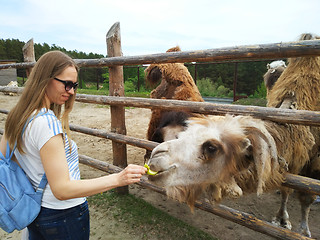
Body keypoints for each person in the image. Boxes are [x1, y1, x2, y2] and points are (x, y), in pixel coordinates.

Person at [0, 50, 147, 240]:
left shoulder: (19, 116)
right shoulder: (47, 123)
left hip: (35, 211)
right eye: (67, 84)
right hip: (63, 214)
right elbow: (62, 190)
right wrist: (119, 179)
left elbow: (5, 157)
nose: (71, 91)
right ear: (45, 78)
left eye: (74, 85)